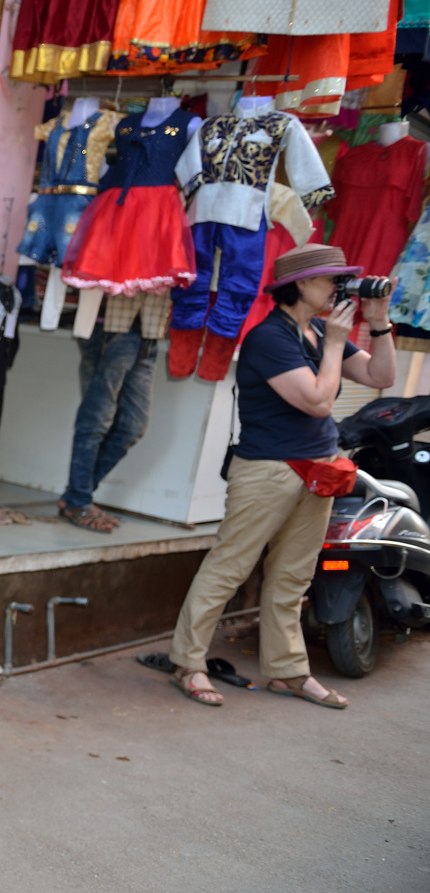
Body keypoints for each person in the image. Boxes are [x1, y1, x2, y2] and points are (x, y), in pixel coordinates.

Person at [165, 244, 397, 707]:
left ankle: (287, 672)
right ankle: (188, 664)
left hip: (318, 469)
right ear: (300, 286)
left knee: (293, 576)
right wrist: (333, 344)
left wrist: (379, 321)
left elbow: (380, 376)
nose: (339, 288)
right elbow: (317, 400)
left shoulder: (317, 330)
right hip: (268, 470)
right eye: (331, 280)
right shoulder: (269, 338)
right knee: (228, 568)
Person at [58, 323, 158, 532]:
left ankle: (74, 497)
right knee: (96, 417)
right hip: (113, 322)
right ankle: (78, 500)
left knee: (134, 425)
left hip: (150, 328)